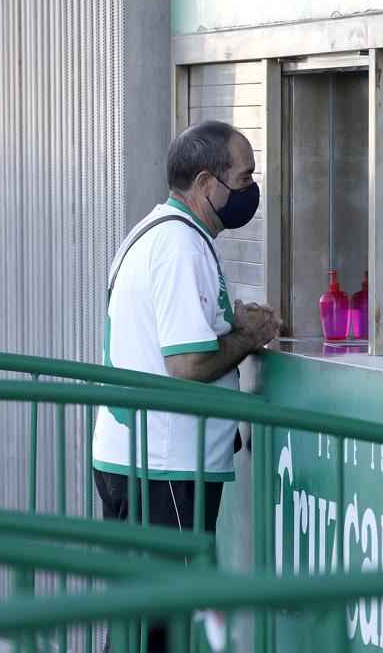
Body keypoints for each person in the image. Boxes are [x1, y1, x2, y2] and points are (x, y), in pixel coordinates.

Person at [92, 122, 280, 537]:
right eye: (244, 178)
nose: (251, 190)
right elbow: (188, 364)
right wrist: (251, 335)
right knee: (166, 600)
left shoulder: (158, 231)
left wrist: (230, 322)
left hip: (136, 458)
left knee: (140, 599)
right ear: (206, 182)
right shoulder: (181, 246)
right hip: (164, 466)